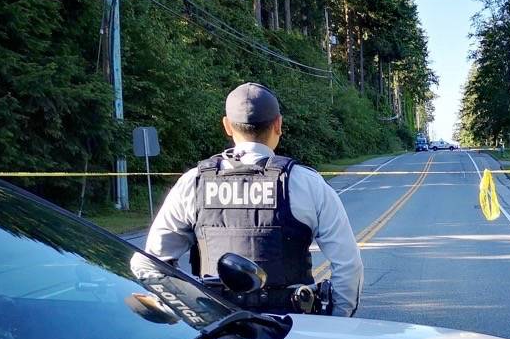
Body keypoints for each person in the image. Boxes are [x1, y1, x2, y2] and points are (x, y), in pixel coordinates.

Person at [141, 83, 363, 316]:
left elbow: (154, 263)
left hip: (217, 331)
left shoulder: (193, 183)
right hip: (292, 329)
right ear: (278, 124)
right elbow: (348, 265)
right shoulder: (307, 183)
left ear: (227, 126)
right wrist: (338, 320)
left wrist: (189, 318)